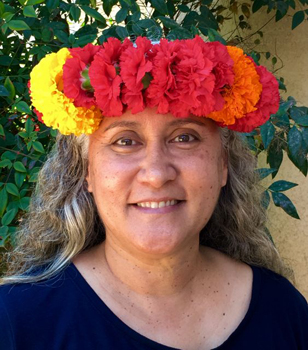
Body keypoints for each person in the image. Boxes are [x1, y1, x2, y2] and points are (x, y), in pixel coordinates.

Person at [0, 36, 308, 350]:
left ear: (223, 165)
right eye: (125, 141)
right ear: (87, 171)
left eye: (185, 137)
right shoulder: (18, 321)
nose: (157, 174)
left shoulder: (282, 310)